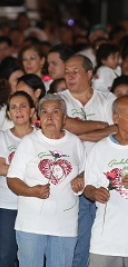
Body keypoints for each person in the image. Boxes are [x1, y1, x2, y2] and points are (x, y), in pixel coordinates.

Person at [7, 94, 86, 267]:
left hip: (65, 223)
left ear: (64, 118)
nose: (49, 117)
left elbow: (86, 172)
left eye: (55, 112)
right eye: (44, 112)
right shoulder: (29, 142)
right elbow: (12, 179)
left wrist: (81, 178)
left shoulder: (75, 143)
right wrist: (31, 191)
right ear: (38, 118)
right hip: (32, 222)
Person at [59, 55, 117, 267]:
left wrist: (78, 133)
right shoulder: (58, 100)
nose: (70, 76)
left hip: (103, 178)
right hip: (71, 179)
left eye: (75, 71)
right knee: (78, 237)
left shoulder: (107, 99)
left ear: (89, 74)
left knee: (103, 234)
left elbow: (118, 130)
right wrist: (102, 126)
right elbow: (62, 126)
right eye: (67, 71)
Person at [84, 96, 128, 267]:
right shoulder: (100, 149)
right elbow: (88, 187)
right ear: (115, 117)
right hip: (106, 242)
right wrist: (95, 193)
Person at [0, 91, 36, 267]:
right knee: (6, 255)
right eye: (13, 107)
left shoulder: (40, 137)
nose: (18, 111)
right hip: (8, 204)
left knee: (32, 255)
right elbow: (1, 168)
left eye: (23, 106)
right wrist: (32, 170)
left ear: (33, 111)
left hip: (35, 203)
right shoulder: (2, 136)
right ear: (9, 114)